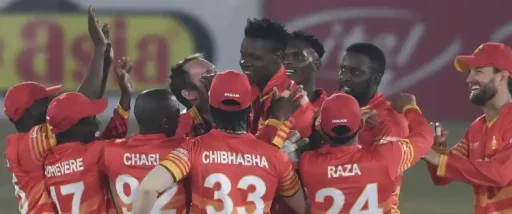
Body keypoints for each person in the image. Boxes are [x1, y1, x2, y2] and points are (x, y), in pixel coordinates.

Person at [3, 6, 129, 214]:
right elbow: (76, 110)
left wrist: (104, 60)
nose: (52, 101)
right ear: (30, 112)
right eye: (45, 100)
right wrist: (98, 50)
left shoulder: (39, 145)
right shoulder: (25, 146)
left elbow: (80, 111)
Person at [134, 70, 307, 214]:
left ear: (211, 107)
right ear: (248, 110)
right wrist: (278, 122)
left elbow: (147, 189)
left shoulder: (192, 149)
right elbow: (303, 208)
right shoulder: (275, 157)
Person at [299, 92, 432, 213]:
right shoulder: (386, 157)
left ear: (321, 129)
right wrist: (410, 107)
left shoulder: (308, 163)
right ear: (361, 126)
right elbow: (425, 137)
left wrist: (325, 122)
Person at [423, 42, 512, 214]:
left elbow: (501, 173)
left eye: (478, 71)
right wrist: (436, 148)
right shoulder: (477, 127)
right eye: (470, 71)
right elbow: (442, 176)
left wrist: (436, 158)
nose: (469, 79)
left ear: (502, 76)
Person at [43, 56, 133, 214]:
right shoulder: (93, 152)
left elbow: (104, 141)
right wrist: (126, 95)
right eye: (90, 118)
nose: (96, 121)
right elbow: (115, 139)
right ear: (74, 126)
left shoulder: (49, 160)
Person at [338, 42, 409, 211]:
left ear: (375, 79)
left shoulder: (390, 119)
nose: (345, 77)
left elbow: (380, 171)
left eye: (356, 72)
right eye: (343, 69)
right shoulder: (330, 108)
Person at [102, 88, 189, 214]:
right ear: (165, 122)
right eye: (176, 116)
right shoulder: (185, 148)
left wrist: (124, 102)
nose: (179, 120)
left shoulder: (110, 150)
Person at [240, 18, 315, 142]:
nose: (245, 63)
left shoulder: (292, 100)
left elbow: (268, 155)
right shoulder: (245, 88)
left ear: (278, 56)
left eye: (254, 58)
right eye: (243, 55)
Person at [169, 53, 216, 137]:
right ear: (190, 94)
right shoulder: (179, 132)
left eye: (215, 71)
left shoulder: (242, 113)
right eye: (207, 75)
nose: (218, 77)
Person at [285, 30, 327, 110]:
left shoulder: (331, 107)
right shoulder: (266, 104)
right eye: (284, 57)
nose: (287, 62)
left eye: (297, 57)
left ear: (316, 65)